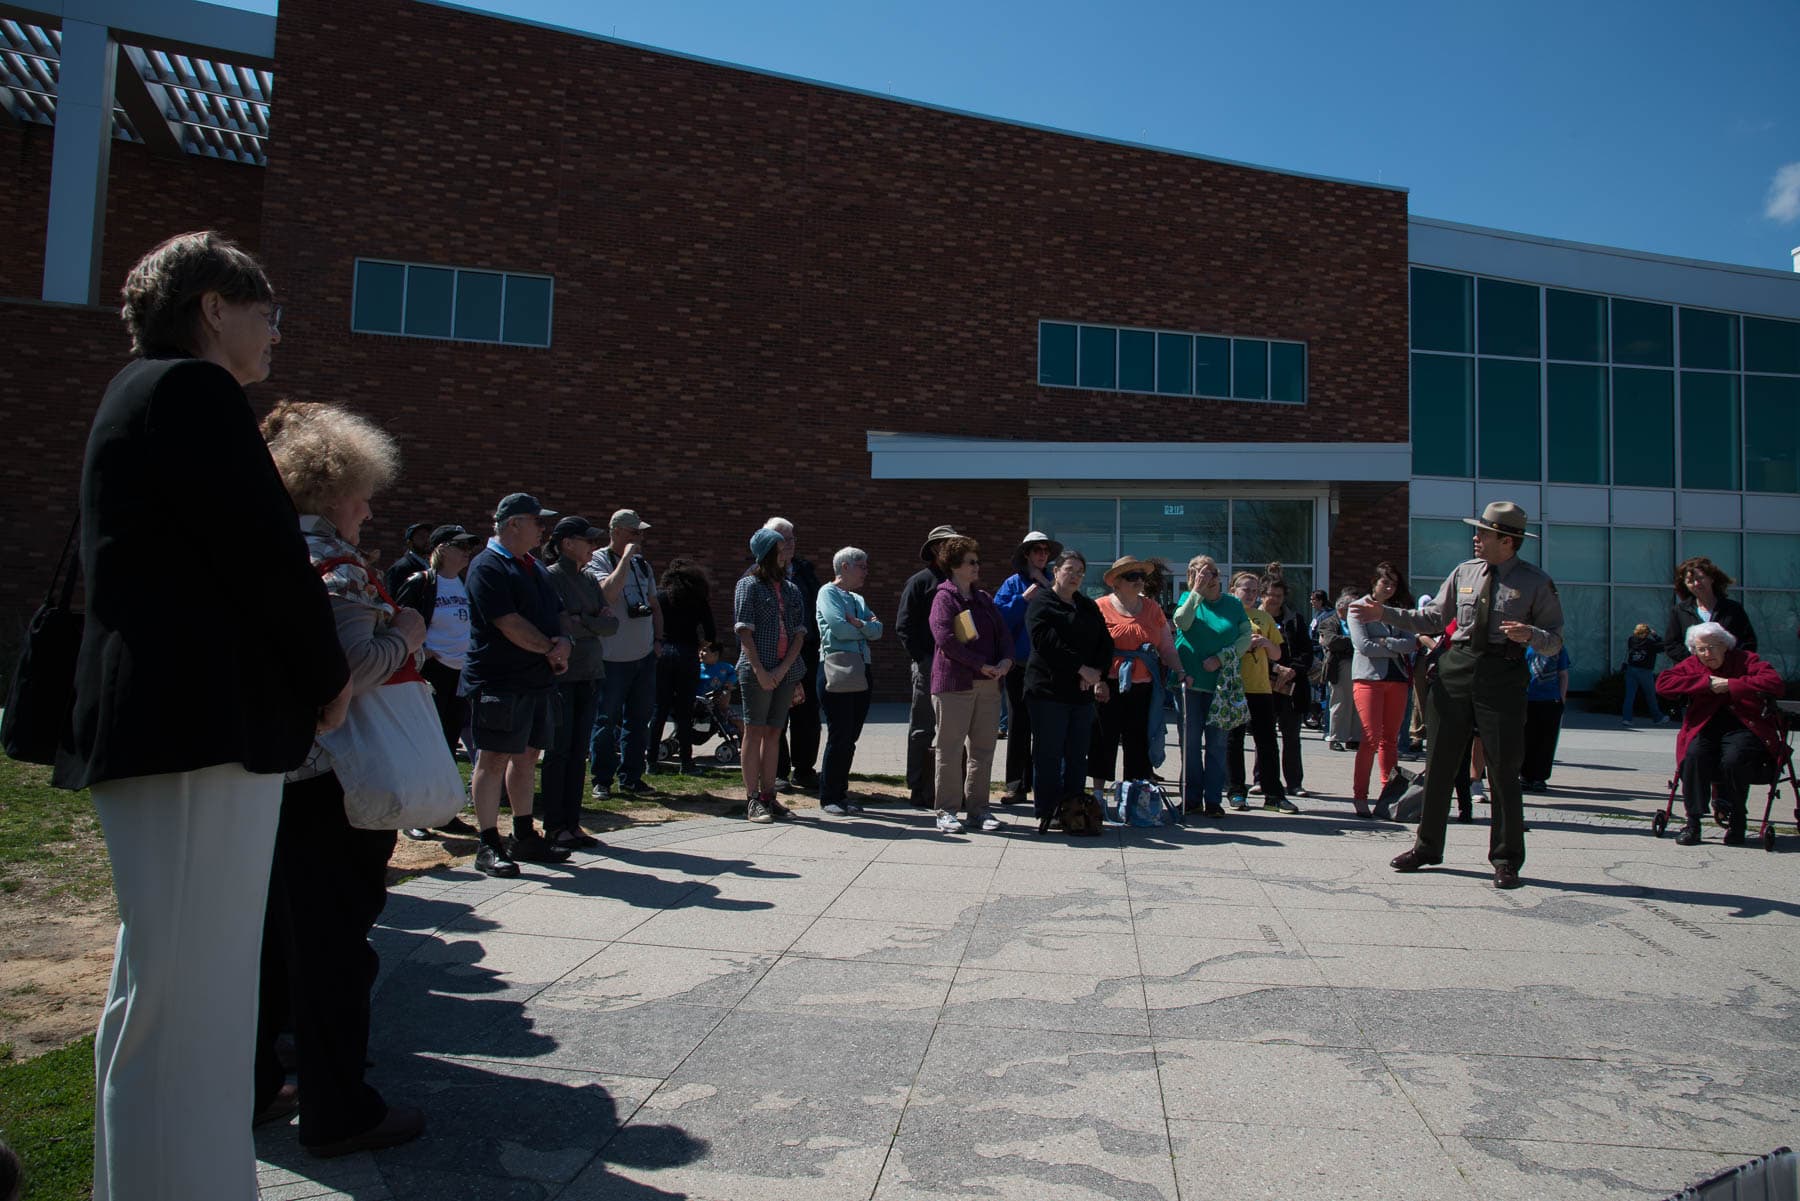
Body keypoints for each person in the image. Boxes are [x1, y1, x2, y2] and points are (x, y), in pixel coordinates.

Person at [58, 231, 351, 1199]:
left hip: (160, 725)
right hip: (200, 728)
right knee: (198, 1009)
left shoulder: (130, 397)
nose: (277, 331)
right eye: (266, 310)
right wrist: (325, 673)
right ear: (213, 309)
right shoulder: (192, 394)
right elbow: (262, 556)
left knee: (157, 997)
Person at [253, 400, 427, 1157]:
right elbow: (349, 671)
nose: (367, 506)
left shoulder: (261, 549)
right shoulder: (337, 565)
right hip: (334, 782)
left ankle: (257, 1084)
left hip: (274, 778)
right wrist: (408, 631)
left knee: (275, 943)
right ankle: (339, 1107)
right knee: (335, 949)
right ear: (331, 490)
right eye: (361, 491)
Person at [1359, 501, 1564, 890]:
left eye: (1484, 533)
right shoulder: (1463, 573)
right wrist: (1383, 614)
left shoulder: (1536, 583)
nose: (1476, 538)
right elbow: (1432, 618)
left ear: (1507, 541)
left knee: (1503, 768)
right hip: (1456, 668)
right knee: (1439, 763)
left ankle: (1505, 858)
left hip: (1502, 673)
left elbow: (1555, 640)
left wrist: (1531, 636)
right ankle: (1427, 847)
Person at [463, 493, 574, 877]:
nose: (543, 528)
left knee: (528, 757)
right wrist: (550, 649)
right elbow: (507, 622)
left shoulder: (534, 566)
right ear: (513, 524)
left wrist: (564, 643)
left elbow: (557, 611)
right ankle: (488, 843)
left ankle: (524, 834)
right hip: (500, 680)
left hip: (537, 679)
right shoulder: (487, 566)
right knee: (492, 758)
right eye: (536, 521)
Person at [394, 523, 483, 839]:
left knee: (447, 744)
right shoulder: (422, 583)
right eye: (460, 547)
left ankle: (444, 812)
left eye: (468, 547)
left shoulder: (462, 585)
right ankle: (413, 815)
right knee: (424, 744)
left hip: (458, 674)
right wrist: (424, 652)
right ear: (441, 549)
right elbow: (399, 623)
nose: (466, 553)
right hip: (431, 673)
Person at [1657, 623, 1784, 846]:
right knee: (1693, 757)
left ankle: (1738, 821)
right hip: (1705, 726)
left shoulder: (1746, 660)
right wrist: (1705, 683)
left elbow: (1774, 683)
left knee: (1735, 759)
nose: (1707, 654)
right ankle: (1693, 823)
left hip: (1744, 725)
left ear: (1725, 646)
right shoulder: (1693, 664)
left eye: (1713, 647)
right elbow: (1664, 684)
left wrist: (1731, 685)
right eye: (1701, 649)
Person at [927, 536, 1014, 833]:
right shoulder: (944, 598)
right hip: (954, 685)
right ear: (954, 566)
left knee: (983, 749)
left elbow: (1004, 635)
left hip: (989, 685)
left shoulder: (984, 599)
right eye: (971, 562)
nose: (977, 566)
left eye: (978, 561)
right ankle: (946, 811)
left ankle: (979, 810)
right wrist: (981, 664)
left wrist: (1005, 661)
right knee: (950, 750)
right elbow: (945, 640)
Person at [1023, 550, 1112, 834]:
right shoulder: (1042, 602)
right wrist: (1080, 669)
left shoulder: (1087, 605)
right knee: (1049, 754)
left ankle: (1074, 811)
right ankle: (1048, 810)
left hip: (1081, 694)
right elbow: (1046, 643)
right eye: (1069, 569)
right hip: (1048, 691)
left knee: (1076, 755)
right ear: (1056, 571)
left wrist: (1096, 672)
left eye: (1080, 572)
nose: (1074, 576)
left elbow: (1105, 642)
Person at [541, 515, 617, 849]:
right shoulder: (551, 578)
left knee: (577, 753)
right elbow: (559, 626)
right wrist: (589, 622)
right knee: (558, 751)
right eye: (587, 540)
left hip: (590, 672)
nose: (593, 546)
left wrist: (581, 619)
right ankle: (554, 825)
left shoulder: (588, 579)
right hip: (563, 676)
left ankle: (572, 822)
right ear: (567, 544)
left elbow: (611, 624)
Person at [1086, 556, 1183, 798]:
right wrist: (1097, 681)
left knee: (1138, 740)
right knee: (1103, 738)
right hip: (1108, 684)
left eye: (1141, 576)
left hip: (1143, 686)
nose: (1139, 581)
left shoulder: (1152, 608)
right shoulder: (1099, 607)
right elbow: (1090, 647)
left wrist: (1180, 670)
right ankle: (1098, 795)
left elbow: (1167, 647)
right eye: (1132, 577)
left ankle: (1133, 796)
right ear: (1116, 582)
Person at [586, 509, 663, 798]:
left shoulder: (644, 566)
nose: (639, 538)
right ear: (616, 531)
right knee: (605, 721)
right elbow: (608, 593)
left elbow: (654, 604)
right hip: (611, 657)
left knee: (638, 720)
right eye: (634, 532)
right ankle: (601, 779)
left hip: (643, 655)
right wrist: (626, 559)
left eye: (641, 533)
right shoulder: (597, 560)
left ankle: (632, 777)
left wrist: (658, 639)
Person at [734, 527, 807, 822]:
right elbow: (744, 633)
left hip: (785, 672)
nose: (788, 551)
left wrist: (784, 670)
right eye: (781, 547)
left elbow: (799, 634)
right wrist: (761, 671)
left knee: (775, 732)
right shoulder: (748, 585)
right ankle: (752, 799)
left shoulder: (791, 588)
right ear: (767, 553)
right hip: (757, 672)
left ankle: (769, 795)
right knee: (754, 731)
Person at [1173, 555, 1253, 818]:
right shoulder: (1189, 600)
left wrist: (1221, 657)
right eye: (1201, 574)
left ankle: (1214, 799)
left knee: (1217, 744)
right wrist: (1196, 591)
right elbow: (1181, 622)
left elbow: (1245, 638)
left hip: (1221, 686)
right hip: (1191, 684)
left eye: (1213, 574)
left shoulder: (1232, 604)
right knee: (1191, 744)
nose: (1209, 579)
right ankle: (1191, 798)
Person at [1347, 563, 1421, 814]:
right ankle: (1360, 795)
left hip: (1397, 679)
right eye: (1384, 583)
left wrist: (1386, 642)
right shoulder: (1357, 608)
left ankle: (1387, 794)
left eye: (1393, 584)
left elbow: (1411, 644)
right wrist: (1394, 647)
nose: (1389, 588)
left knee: (1390, 739)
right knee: (1370, 738)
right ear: (1373, 583)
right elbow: (1363, 646)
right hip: (1368, 678)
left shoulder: (1398, 611)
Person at [994, 531, 1061, 805]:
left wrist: (1048, 589)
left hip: (1048, 668)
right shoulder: (1012, 583)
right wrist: (1023, 598)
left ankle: (1042, 785)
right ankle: (1016, 785)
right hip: (1019, 666)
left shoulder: (1055, 585)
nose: (1042, 554)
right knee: (1019, 725)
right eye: (1036, 550)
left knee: (1045, 728)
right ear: (1026, 554)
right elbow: (999, 619)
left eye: (1045, 550)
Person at [816, 546, 884, 815]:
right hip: (836, 668)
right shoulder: (827, 592)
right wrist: (862, 627)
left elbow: (878, 631)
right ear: (845, 567)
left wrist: (860, 625)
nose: (866, 571)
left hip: (861, 670)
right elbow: (838, 628)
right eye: (862, 566)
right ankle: (829, 796)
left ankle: (841, 794)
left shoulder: (857, 598)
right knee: (839, 734)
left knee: (851, 736)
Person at [896, 524, 960, 809]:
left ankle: (949, 787)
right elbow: (904, 626)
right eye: (948, 545)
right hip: (928, 664)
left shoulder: (960, 582)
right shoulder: (920, 582)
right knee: (923, 727)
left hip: (958, 667)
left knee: (954, 729)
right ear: (936, 549)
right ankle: (918, 786)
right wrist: (923, 659)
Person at [1222, 571, 1295, 813]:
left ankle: (1273, 793)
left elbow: (1278, 654)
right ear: (1233, 590)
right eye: (1246, 589)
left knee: (1267, 741)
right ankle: (1236, 791)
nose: (1251, 595)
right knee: (1235, 741)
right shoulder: (1228, 616)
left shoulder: (1264, 618)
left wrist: (1266, 644)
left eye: (1255, 591)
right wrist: (1244, 644)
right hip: (1235, 687)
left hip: (1261, 688)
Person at [766, 517, 824, 791]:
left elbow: (816, 606)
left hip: (806, 651)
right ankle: (777, 772)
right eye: (783, 539)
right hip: (773, 653)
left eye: (792, 538)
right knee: (777, 711)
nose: (790, 544)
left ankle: (804, 769)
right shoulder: (757, 573)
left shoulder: (803, 570)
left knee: (808, 711)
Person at [652, 558, 716, 774]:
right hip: (687, 653)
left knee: (658, 710)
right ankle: (686, 761)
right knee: (684, 711)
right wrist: (702, 645)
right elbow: (710, 633)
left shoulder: (661, 597)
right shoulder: (698, 599)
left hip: (663, 652)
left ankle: (651, 759)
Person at [1256, 572, 1312, 798]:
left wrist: (1292, 671)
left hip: (1291, 688)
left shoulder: (1295, 620)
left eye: (1280, 595)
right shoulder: (1253, 619)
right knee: (1265, 735)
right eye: (1272, 595)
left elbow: (1306, 652)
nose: (1276, 599)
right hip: (1263, 685)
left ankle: (1295, 783)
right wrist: (1275, 669)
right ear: (1262, 595)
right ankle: (1262, 779)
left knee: (1291, 736)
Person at [1664, 556, 1757, 665]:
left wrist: (1724, 660)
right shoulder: (1680, 610)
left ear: (1711, 578)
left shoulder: (1733, 609)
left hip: (1728, 672)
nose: (1696, 584)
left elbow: (1748, 642)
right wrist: (1698, 660)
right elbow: (1671, 645)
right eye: (1690, 581)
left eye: (1700, 578)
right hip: (1693, 674)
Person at [1520, 642, 1571, 791]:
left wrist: (1562, 699)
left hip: (1550, 700)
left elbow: (1563, 674)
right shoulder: (1525, 646)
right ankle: (1525, 776)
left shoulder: (1558, 647)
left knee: (1546, 741)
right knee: (1525, 739)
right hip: (1527, 699)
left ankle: (1540, 778)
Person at [1320, 590, 1363, 752]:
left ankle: (1354, 737)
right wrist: (1355, 641)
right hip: (1340, 666)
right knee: (1340, 702)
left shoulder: (1359, 623)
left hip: (1359, 665)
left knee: (1358, 702)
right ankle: (1336, 737)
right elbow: (1332, 641)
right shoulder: (1329, 622)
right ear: (1342, 609)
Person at [1621, 622, 1668, 725]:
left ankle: (1626, 718)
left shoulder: (1631, 640)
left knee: (1629, 695)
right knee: (1650, 695)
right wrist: (1655, 635)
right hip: (1645, 671)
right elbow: (1664, 646)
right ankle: (1657, 717)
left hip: (1631, 669)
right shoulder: (1650, 643)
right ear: (1647, 633)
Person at [383, 522, 431, 596]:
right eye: (421, 537)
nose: (427, 541)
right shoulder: (400, 568)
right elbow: (393, 598)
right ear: (410, 543)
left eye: (428, 537)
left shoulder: (433, 564)